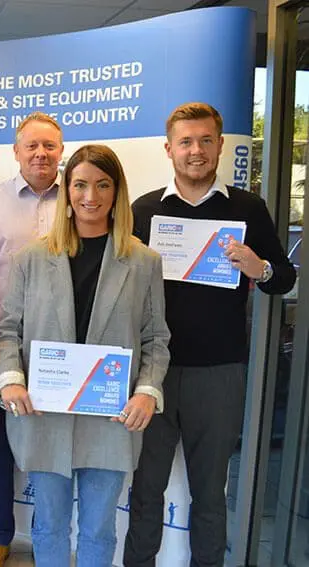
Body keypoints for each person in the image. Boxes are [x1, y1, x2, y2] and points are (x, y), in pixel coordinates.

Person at [124, 102, 297, 567]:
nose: (195, 151)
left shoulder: (247, 207)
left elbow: (284, 277)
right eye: (185, 142)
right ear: (169, 149)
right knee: (145, 490)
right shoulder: (144, 210)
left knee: (210, 493)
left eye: (205, 140)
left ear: (220, 145)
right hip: (150, 376)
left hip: (219, 373)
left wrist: (258, 268)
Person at [0, 144, 170, 566]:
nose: (91, 196)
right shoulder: (31, 258)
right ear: (67, 189)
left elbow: (156, 337)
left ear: (117, 191)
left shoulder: (143, 261)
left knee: (98, 529)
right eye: (81, 184)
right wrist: (12, 378)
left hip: (111, 417)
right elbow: (8, 329)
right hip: (44, 415)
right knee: (49, 525)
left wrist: (147, 391)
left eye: (103, 185)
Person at [0, 112, 63, 567]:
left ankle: (50, 540)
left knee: (55, 442)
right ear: (16, 152)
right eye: (31, 145)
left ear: (61, 151)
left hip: (64, 349)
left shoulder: (80, 198)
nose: (41, 153)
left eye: (49, 145)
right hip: (3, 342)